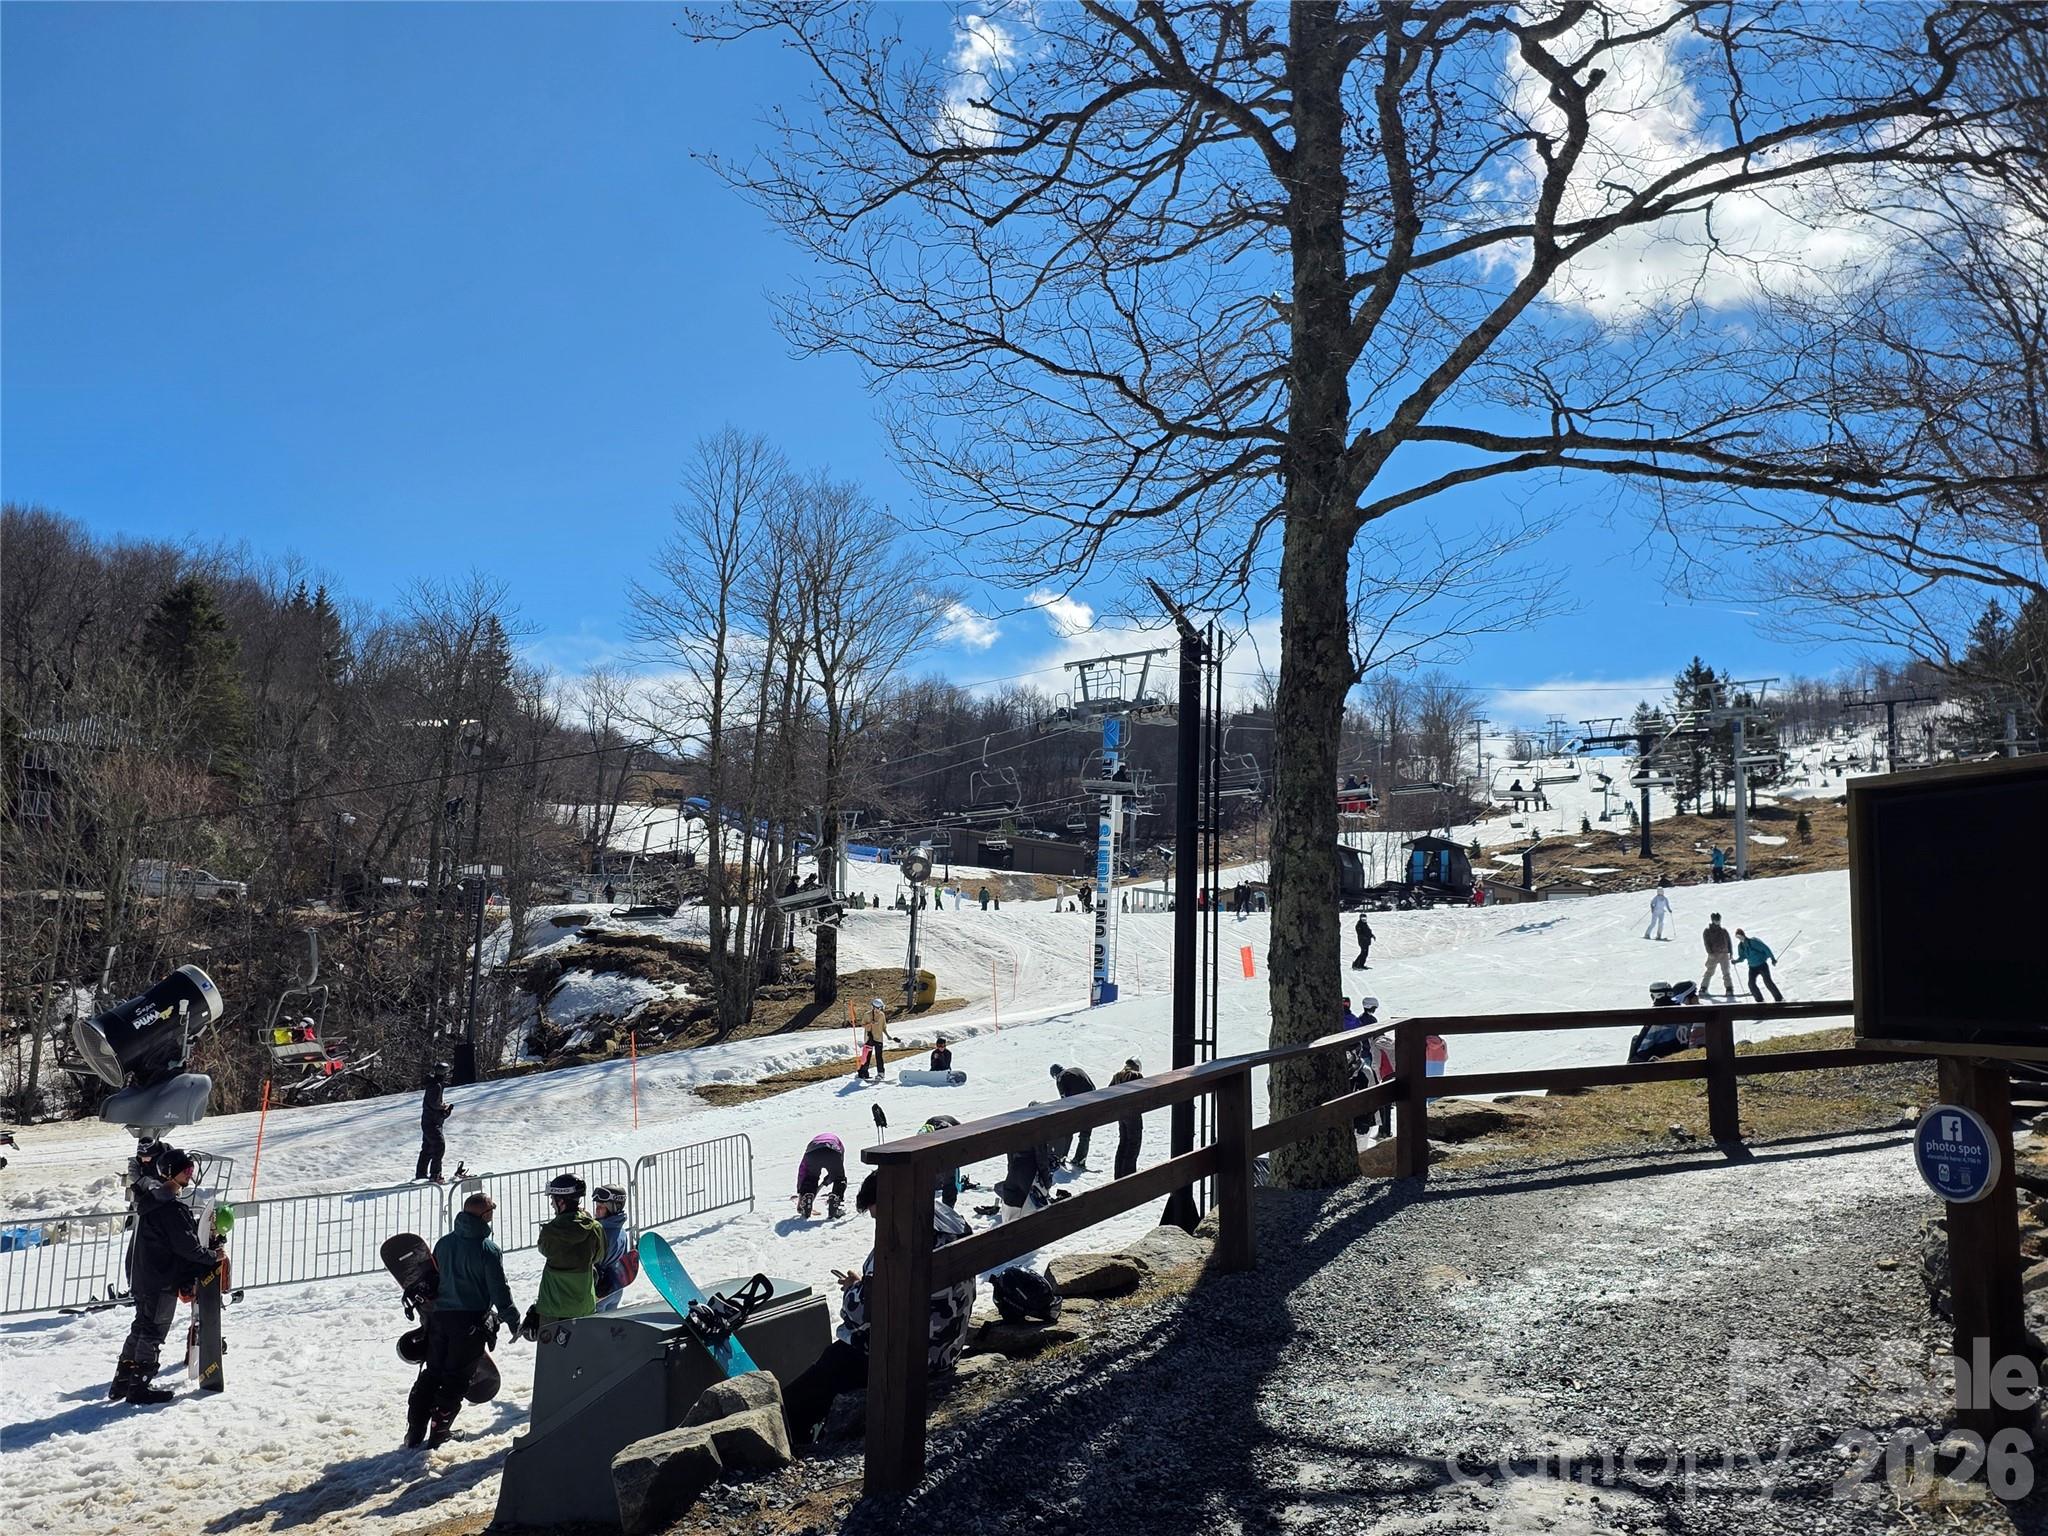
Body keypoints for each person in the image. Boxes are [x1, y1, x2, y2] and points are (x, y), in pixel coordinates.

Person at [782, 1173, 976, 1446]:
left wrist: (853, 1288)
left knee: (830, 1366)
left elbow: (858, 1312)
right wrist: (869, 1286)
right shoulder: (950, 1221)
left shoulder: (900, 1241)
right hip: (947, 1345)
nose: (879, 1225)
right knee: (836, 1359)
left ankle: (789, 1439)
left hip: (912, 1357)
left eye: (877, 1215)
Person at [105, 1145, 221, 1406]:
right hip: (158, 1279)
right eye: (187, 1170)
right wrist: (213, 1257)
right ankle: (140, 1386)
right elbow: (187, 1246)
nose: (190, 1176)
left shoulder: (153, 1202)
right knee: (153, 1331)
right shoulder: (170, 1208)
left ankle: (122, 1381)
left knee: (141, 1326)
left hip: (143, 1276)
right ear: (172, 1174)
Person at [408, 1192, 523, 1447]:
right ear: (484, 1216)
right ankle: (439, 1434)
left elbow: (435, 1278)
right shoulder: (488, 1250)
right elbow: (499, 1290)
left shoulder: (444, 1243)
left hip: (440, 1319)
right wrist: (513, 1321)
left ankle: (414, 1430)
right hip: (470, 1322)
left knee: (433, 1372)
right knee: (456, 1379)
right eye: (491, 1210)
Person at [533, 1174, 603, 1326]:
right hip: (584, 1306)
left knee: (553, 1349)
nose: (552, 1204)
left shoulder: (550, 1231)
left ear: (561, 1201)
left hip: (553, 1307)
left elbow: (544, 1250)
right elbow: (598, 1256)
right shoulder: (594, 1228)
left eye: (553, 1199)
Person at [995, 1115, 1057, 1222]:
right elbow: (1041, 1161)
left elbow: (1010, 1160)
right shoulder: (1037, 1134)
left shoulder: (1014, 1133)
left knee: (1010, 1212)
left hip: (1013, 1177)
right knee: (1028, 1215)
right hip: (1029, 1177)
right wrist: (1047, 1182)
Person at [1049, 1062, 1097, 1170]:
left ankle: (1061, 1157)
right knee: (1085, 1133)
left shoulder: (1060, 1077)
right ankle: (1081, 1159)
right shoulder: (1077, 1069)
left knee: (1067, 1131)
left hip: (1078, 1104)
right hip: (1093, 1101)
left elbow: (1064, 1099)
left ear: (1054, 1074)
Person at [592, 1185, 631, 1311]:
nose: (597, 1210)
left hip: (600, 1291)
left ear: (613, 1208)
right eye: (597, 1206)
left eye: (602, 1207)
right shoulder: (621, 1230)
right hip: (616, 1288)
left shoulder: (601, 1233)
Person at [795, 1133, 848, 1219]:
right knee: (840, 1179)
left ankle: (807, 1195)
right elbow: (837, 1170)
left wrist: (800, 1189)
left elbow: (802, 1171)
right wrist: (831, 1178)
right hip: (833, 1152)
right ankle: (835, 1203)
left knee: (811, 1177)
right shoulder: (839, 1143)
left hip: (812, 1154)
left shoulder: (811, 1145)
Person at [1107, 1058, 1144, 1178]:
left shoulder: (1117, 1076)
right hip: (1133, 1114)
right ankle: (1128, 1176)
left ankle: (1118, 1176)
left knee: (1123, 1143)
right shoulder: (1136, 1075)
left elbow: (1109, 1092)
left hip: (1121, 1115)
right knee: (1133, 1145)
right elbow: (1143, 1094)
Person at [416, 1063, 453, 1182]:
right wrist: (444, 1107)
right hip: (432, 1122)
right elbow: (434, 1104)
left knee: (427, 1148)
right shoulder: (436, 1086)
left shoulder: (434, 1084)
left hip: (430, 1121)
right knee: (439, 1146)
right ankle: (435, 1174)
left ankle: (421, 1174)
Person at [920, 1115, 962, 1206]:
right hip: (933, 1134)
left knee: (949, 1178)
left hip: (949, 1134)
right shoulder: (926, 1135)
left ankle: (948, 1208)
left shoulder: (955, 1132)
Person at [1735, 928, 1784, 1002]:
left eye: (1740, 936)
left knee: (1768, 982)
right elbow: (1742, 957)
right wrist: (1736, 961)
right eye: (1737, 937)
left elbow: (1765, 948)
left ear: (1743, 935)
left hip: (1762, 965)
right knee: (1751, 984)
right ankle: (1759, 1000)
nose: (1739, 938)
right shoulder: (1741, 946)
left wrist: (1772, 958)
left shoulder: (1753, 942)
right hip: (1752, 967)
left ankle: (1779, 999)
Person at [1701, 912, 1736, 995]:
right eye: (1716, 920)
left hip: (1724, 954)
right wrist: (1710, 952)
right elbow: (1706, 942)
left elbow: (1728, 941)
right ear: (1712, 920)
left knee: (1726, 972)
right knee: (1709, 971)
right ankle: (1703, 988)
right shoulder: (1707, 931)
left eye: (1719, 920)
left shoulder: (1723, 931)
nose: (1718, 921)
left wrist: (1731, 952)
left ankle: (1729, 989)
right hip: (1713, 954)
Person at [859, 998, 892, 1082]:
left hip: (878, 1038)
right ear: (873, 1007)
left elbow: (883, 1027)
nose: (879, 1010)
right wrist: (870, 1024)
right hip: (869, 1038)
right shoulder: (867, 1015)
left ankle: (881, 1073)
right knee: (867, 1056)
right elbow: (863, 1025)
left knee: (879, 1056)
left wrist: (888, 1035)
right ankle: (863, 1072)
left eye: (880, 1008)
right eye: (877, 1008)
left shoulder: (882, 1015)